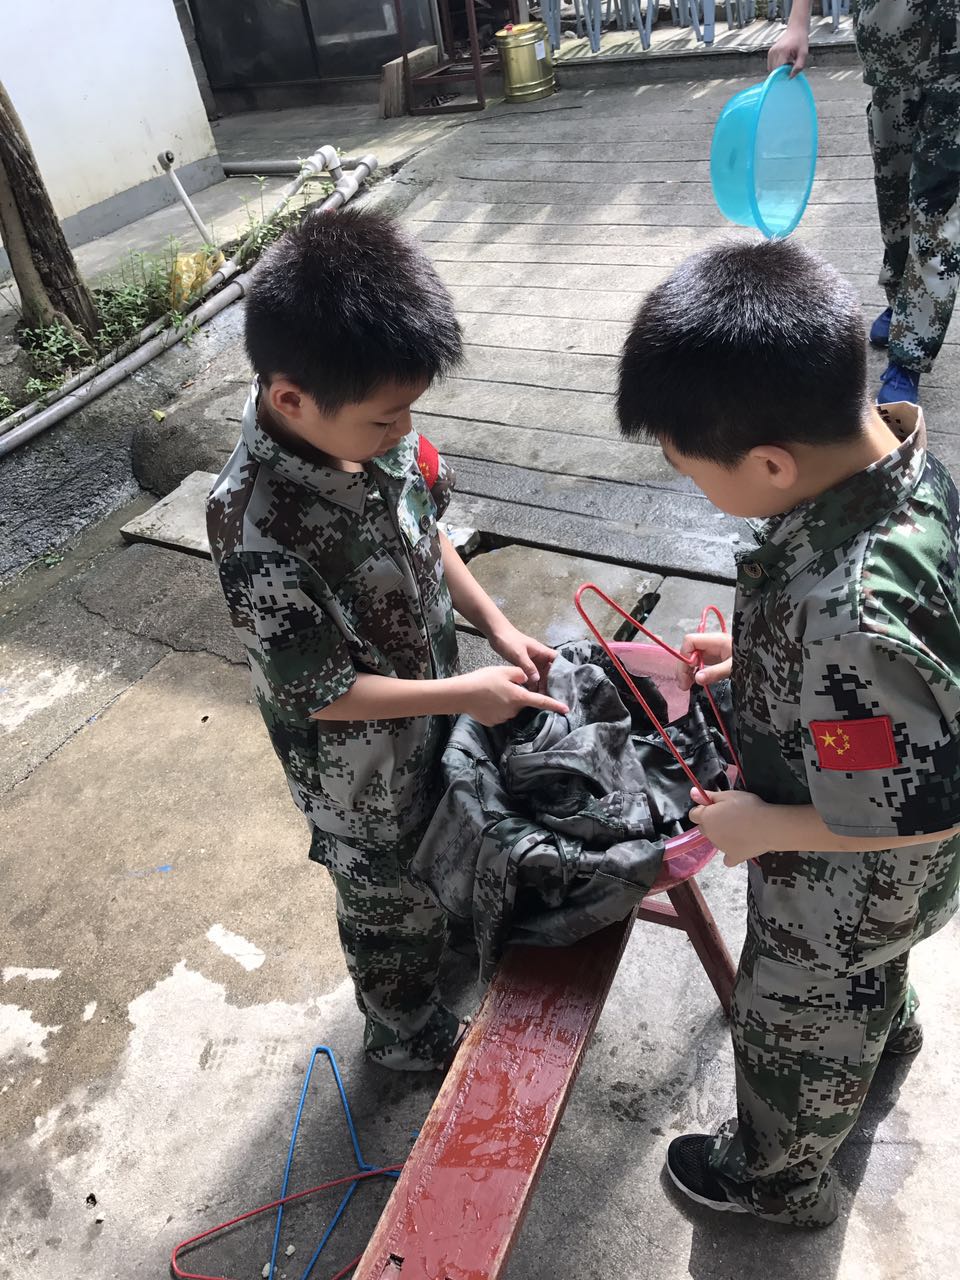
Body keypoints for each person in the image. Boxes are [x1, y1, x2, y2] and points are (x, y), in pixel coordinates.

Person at [617, 238, 960, 1226]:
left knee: (791, 1014)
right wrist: (756, 661)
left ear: (771, 463)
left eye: (697, 475)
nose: (701, 491)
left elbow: (921, 810)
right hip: (882, 876)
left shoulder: (854, 616)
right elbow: (888, 697)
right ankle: (883, 1029)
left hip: (849, 882)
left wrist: (761, 829)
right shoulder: (903, 469)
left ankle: (776, 1180)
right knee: (866, 976)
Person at [207, 208, 566, 1072]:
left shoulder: (375, 435)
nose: (405, 432)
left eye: (410, 411)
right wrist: (467, 693)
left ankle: (444, 934)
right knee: (386, 905)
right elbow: (321, 693)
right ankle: (402, 1031)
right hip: (357, 779)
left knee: (447, 840)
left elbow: (429, 534)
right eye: (386, 418)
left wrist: (497, 626)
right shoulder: (255, 526)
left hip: (434, 714)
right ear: (290, 399)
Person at [769, 0, 960, 407]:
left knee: (936, 210)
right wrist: (798, 23)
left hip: (954, 63)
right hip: (889, 48)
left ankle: (910, 350)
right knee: (893, 196)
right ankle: (901, 300)